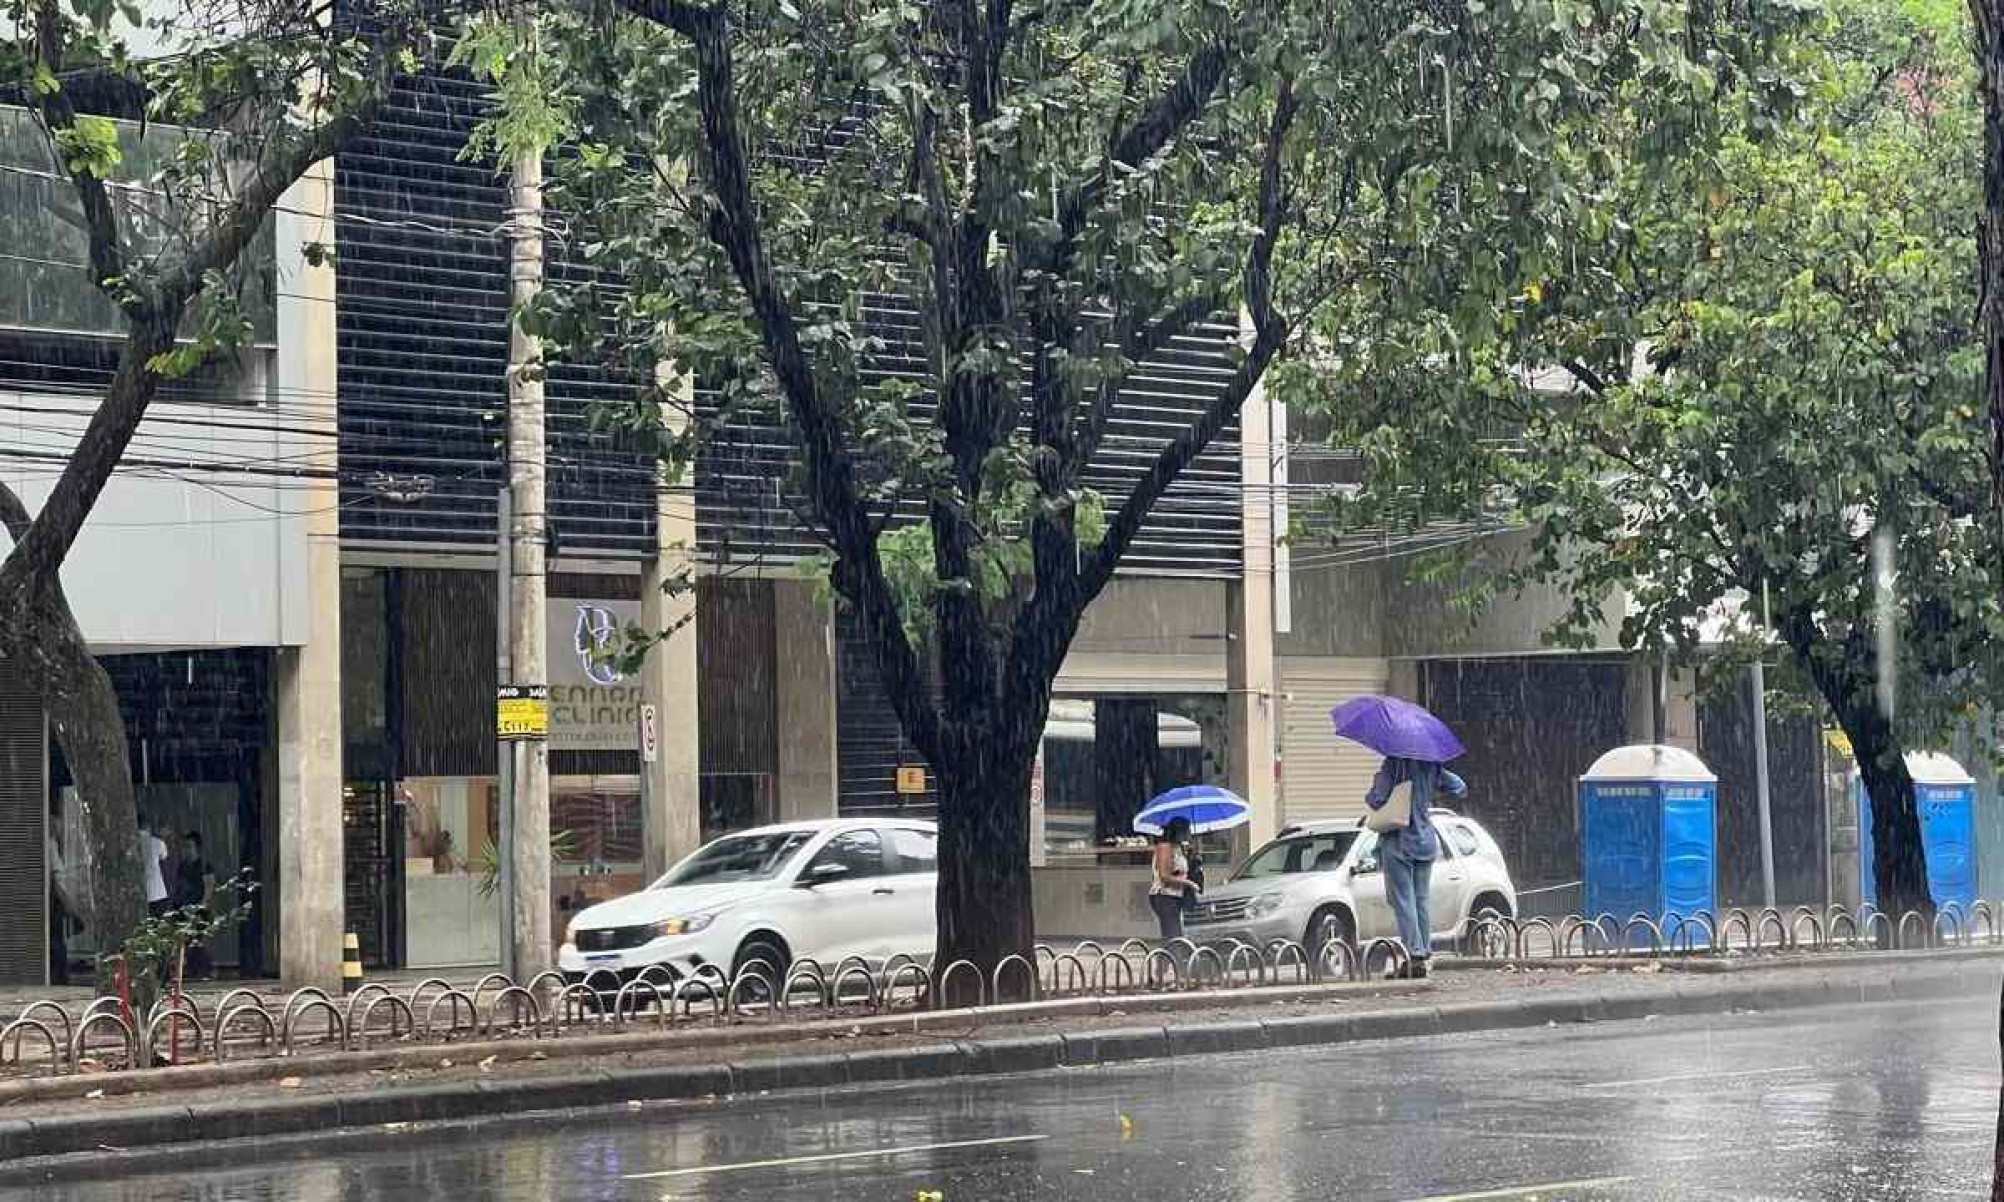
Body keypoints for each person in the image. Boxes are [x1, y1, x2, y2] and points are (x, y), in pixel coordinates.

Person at [1363, 757, 1467, 979]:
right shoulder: (1431, 765)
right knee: (1421, 900)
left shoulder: (1393, 764)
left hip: (1399, 841)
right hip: (1426, 841)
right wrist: (1429, 792)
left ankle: (1415, 954)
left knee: (1403, 900)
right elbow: (1459, 787)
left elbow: (1377, 799)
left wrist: (1374, 788)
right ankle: (1424, 952)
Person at [1149, 816, 1198, 941]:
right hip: (1164, 895)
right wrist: (1189, 883)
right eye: (1187, 830)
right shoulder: (1165, 847)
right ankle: (1170, 959)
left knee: (1175, 933)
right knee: (1173, 935)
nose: (1189, 833)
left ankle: (1166, 959)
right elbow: (1164, 876)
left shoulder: (1179, 848)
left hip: (1177, 895)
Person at [174, 832, 214, 979]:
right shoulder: (183, 866)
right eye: (184, 847)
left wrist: (201, 907)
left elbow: (209, 886)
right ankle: (191, 971)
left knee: (200, 940)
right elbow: (179, 886)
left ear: (197, 847)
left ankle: (205, 971)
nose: (186, 850)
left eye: (189, 846)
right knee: (187, 941)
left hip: (199, 909)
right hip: (184, 907)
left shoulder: (204, 865)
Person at [140, 817, 170, 919]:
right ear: (148, 827)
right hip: (158, 892)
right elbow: (164, 856)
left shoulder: (132, 843)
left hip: (141, 893)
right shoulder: (157, 842)